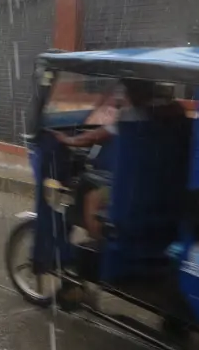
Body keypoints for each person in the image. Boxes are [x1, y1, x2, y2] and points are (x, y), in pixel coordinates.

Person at [51, 78, 176, 240]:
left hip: (136, 187)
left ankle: (101, 247)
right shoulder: (162, 116)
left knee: (92, 198)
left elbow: (94, 136)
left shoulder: (131, 116)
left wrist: (67, 140)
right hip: (158, 183)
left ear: (131, 93)